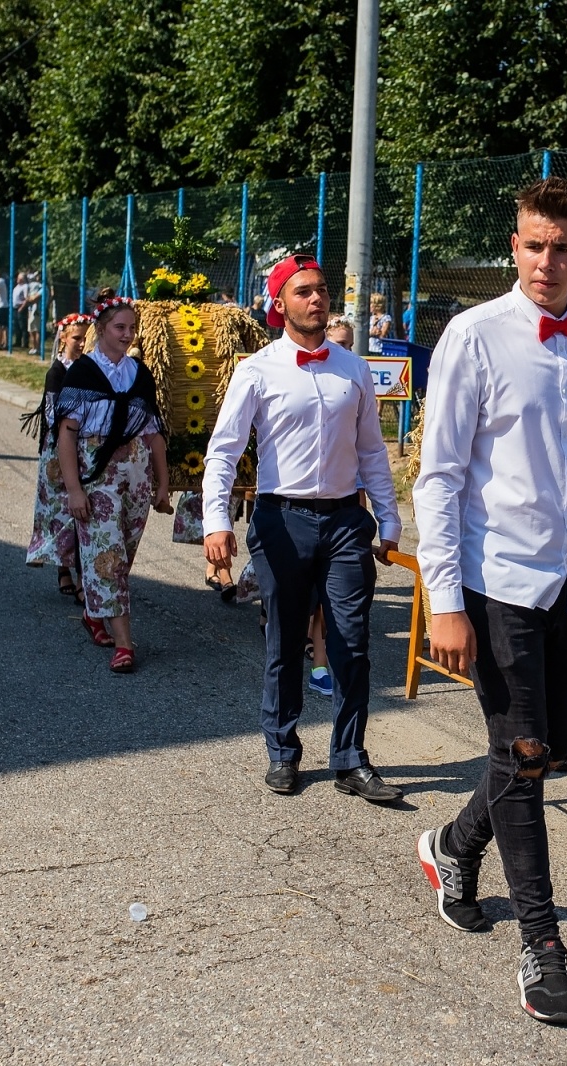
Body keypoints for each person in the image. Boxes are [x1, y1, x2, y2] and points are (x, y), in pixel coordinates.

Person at [412, 176, 567, 1026]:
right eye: (533, 245)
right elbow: (440, 475)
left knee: (540, 751)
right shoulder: (474, 334)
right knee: (524, 757)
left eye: (562, 248)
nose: (546, 262)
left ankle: (453, 845)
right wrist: (444, 602)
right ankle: (543, 945)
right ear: (515, 245)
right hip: (499, 584)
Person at [201, 254, 404, 804]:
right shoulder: (257, 370)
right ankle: (283, 751)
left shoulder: (353, 369)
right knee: (286, 640)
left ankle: (351, 759)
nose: (317, 299)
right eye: (303, 292)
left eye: (322, 290)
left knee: (351, 643)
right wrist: (216, 522)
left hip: (344, 521)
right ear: (279, 304)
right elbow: (223, 451)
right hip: (281, 520)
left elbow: (371, 451)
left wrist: (388, 517)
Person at [54, 296, 173, 672]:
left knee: (124, 553)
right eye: (120, 327)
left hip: (137, 475)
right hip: (98, 475)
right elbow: (66, 436)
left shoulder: (140, 374)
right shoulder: (83, 373)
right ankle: (124, 644)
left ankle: (94, 612)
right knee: (110, 557)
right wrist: (74, 489)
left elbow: (153, 434)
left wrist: (163, 484)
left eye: (132, 328)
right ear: (101, 329)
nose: (127, 334)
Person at [25, 312, 93, 602]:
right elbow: (53, 415)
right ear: (64, 338)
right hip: (58, 449)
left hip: (83, 447)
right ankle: (63, 568)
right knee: (60, 511)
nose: (81, 343)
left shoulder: (89, 369)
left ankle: (80, 575)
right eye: (76, 338)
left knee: (82, 512)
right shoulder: (57, 372)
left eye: (85, 338)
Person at [23, 273, 44, 354]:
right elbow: (29, 298)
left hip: (36, 311)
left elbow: (33, 299)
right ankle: (34, 347)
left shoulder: (42, 288)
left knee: (36, 329)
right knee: (31, 330)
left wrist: (29, 298)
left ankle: (37, 348)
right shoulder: (37, 287)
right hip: (32, 310)